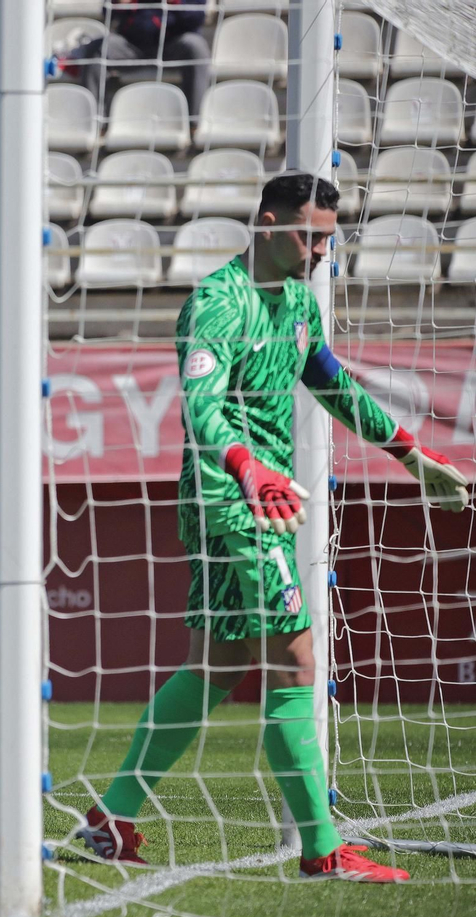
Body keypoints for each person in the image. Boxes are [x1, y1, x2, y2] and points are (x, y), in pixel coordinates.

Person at [78, 174, 470, 881]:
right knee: (295, 665)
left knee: (215, 668)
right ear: (265, 224)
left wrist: (415, 456)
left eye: (327, 238)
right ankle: (322, 849)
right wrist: (247, 466)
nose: (320, 250)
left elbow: (333, 384)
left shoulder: (297, 302)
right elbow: (201, 410)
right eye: (307, 235)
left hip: (261, 500)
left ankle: (114, 814)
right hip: (236, 502)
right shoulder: (217, 304)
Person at [66, 0, 210, 118]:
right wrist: (120, 3)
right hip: (132, 45)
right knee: (98, 49)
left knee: (196, 46)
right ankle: (95, 122)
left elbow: (198, 17)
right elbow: (107, 10)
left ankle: (195, 123)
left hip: (174, 44)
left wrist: (176, 3)